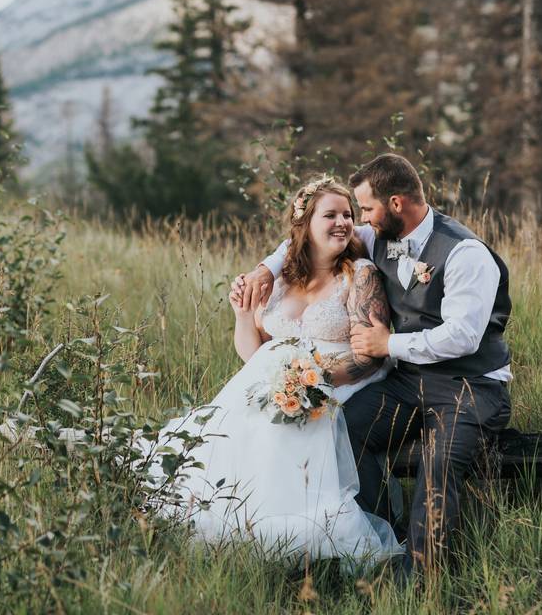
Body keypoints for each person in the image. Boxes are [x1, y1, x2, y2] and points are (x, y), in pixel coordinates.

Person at [239, 154, 512, 576]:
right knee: (345, 429)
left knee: (438, 464)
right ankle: (389, 535)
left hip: (469, 384)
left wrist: (389, 343)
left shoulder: (465, 253)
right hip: (409, 382)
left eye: (366, 209)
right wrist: (266, 267)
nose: (360, 219)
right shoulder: (381, 231)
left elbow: (463, 336)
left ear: (397, 203)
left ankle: (421, 579)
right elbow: (310, 232)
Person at [144, 177, 402, 564]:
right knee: (235, 430)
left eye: (347, 215)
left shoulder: (359, 274)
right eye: (330, 215)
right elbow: (254, 355)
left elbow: (370, 358)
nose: (343, 223)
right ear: (304, 225)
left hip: (338, 383)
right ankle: (243, 522)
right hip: (276, 383)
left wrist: (309, 382)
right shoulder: (281, 279)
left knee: (284, 429)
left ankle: (294, 532)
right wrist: (243, 315)